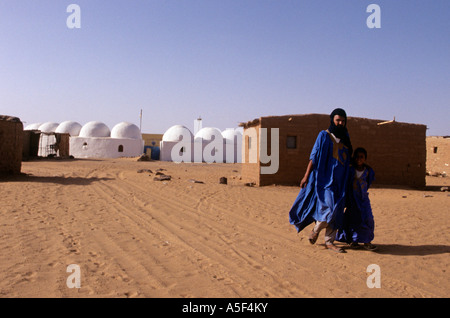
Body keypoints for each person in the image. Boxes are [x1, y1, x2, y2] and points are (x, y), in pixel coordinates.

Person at [289, 108, 352, 253]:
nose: (340, 123)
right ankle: (316, 230)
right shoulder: (324, 136)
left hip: (341, 181)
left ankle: (330, 241)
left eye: (343, 121)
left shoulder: (345, 138)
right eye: (338, 120)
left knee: (338, 210)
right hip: (325, 180)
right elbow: (314, 157)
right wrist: (306, 176)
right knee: (329, 208)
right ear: (332, 120)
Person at [336, 147, 377, 251]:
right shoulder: (350, 170)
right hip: (352, 200)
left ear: (365, 158)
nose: (359, 159)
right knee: (354, 220)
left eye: (361, 157)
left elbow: (368, 183)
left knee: (368, 218)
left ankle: (367, 242)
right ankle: (354, 241)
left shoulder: (368, 171)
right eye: (357, 157)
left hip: (363, 200)